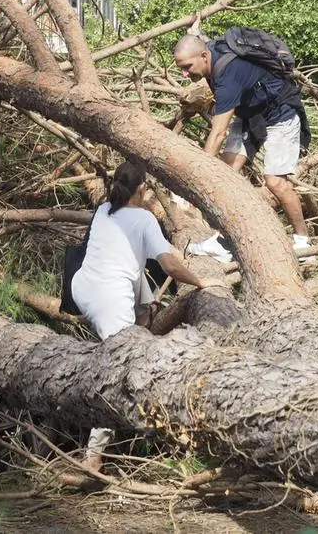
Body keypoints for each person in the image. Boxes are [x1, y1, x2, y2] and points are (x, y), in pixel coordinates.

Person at [70, 160, 223, 472]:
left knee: (139, 319)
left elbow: (129, 259)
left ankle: (141, 327)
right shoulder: (143, 218)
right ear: (142, 189)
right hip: (108, 299)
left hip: (83, 287)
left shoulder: (104, 210)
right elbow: (168, 265)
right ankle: (93, 456)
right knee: (119, 370)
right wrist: (201, 281)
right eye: (150, 190)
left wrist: (148, 301)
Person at [172, 26, 312, 254]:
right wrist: (196, 31)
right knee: (225, 175)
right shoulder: (208, 50)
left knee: (275, 182)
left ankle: (302, 241)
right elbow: (202, 38)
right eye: (181, 69)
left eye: (187, 67)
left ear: (204, 56)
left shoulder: (227, 77)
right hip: (250, 114)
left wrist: (198, 174)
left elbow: (218, 133)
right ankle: (223, 242)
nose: (185, 74)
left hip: (282, 114)